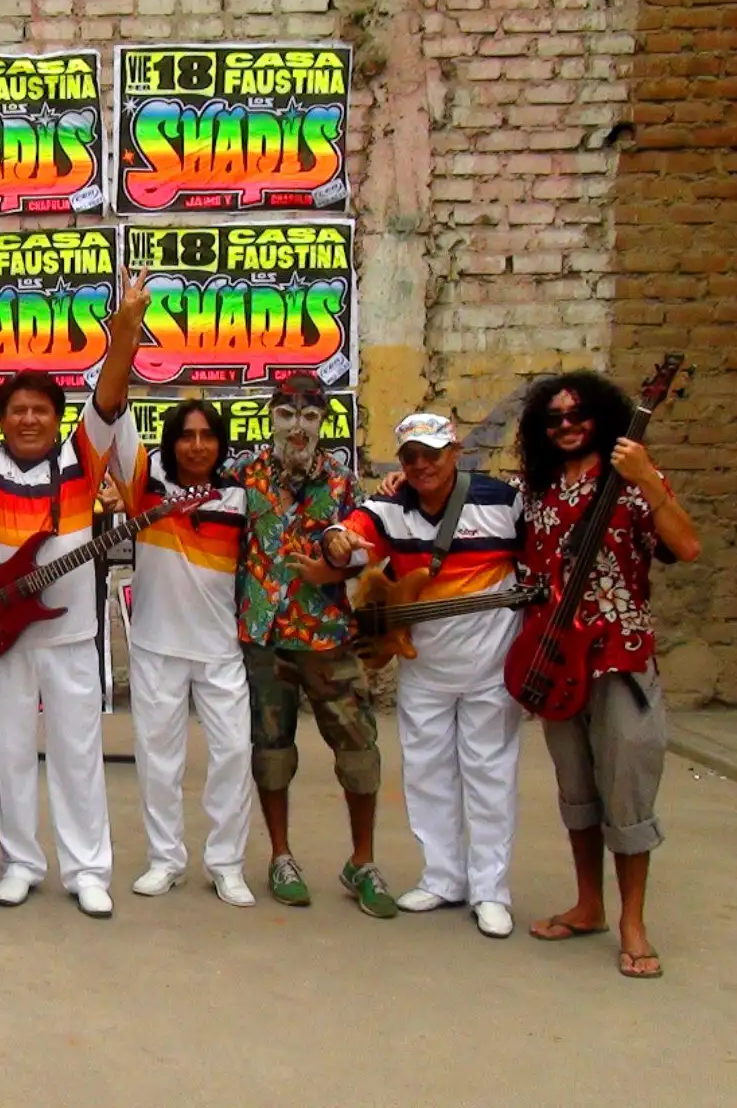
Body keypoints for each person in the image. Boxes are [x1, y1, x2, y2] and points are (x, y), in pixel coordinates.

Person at [0, 260, 149, 920]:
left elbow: (111, 398)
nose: (28, 419)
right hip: (1, 634)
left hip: (69, 635)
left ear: (59, 420)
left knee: (77, 752)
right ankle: (19, 862)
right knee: (6, 754)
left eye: (41, 411)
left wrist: (125, 332)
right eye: (17, 411)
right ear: (2, 420)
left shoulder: (83, 458)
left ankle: (88, 868)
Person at [513, 372, 699, 979]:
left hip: (618, 656)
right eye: (554, 419)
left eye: (578, 415)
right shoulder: (537, 491)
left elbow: (687, 549)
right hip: (554, 659)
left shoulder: (632, 482)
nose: (566, 426)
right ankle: (589, 904)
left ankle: (633, 922)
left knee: (628, 788)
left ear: (602, 416)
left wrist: (647, 477)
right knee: (577, 789)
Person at [317, 413, 526, 939]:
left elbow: (539, 558)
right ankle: (443, 877)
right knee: (427, 773)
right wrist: (337, 541)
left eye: (431, 454)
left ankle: (490, 890)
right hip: (423, 665)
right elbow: (349, 532)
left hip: (490, 667)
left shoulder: (503, 502)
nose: (421, 465)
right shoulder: (390, 507)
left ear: (455, 451)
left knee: (489, 775)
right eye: (410, 456)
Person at [237, 373, 396, 918]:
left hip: (328, 636)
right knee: (271, 751)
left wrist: (336, 565)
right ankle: (281, 856)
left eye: (310, 417)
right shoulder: (244, 474)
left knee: (357, 748)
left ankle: (363, 861)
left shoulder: (344, 483)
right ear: (271, 417)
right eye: (287, 416)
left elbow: (370, 551)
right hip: (265, 638)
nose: (298, 429)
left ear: (325, 421)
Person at [109, 398, 256, 907]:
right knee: (158, 760)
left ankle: (227, 863)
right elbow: (114, 415)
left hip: (220, 650)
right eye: (186, 436)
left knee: (235, 753)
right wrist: (126, 326)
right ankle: (164, 860)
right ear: (171, 443)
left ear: (220, 443)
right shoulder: (146, 485)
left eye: (207, 436)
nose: (197, 446)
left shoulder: (240, 498)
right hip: (156, 647)